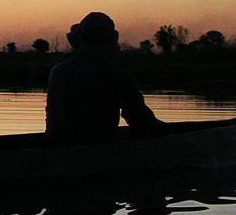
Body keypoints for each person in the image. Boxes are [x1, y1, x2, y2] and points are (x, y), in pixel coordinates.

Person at [45, 11, 163, 143]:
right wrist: (165, 134)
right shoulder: (116, 76)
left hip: (56, 144)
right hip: (100, 147)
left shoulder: (59, 72)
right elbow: (139, 118)